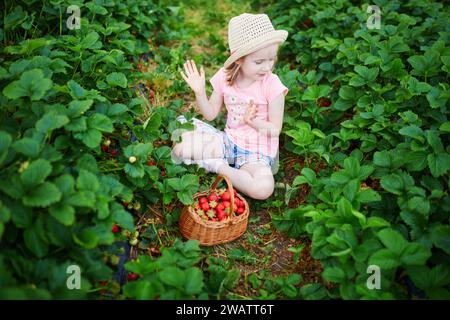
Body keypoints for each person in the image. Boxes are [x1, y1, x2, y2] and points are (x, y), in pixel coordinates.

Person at [173, 13, 289, 200]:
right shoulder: (224, 77)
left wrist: (253, 122)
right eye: (259, 62)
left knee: (263, 188)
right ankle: (223, 164)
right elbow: (210, 114)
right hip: (228, 143)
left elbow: (274, 130)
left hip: (256, 153)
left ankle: (218, 167)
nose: (267, 67)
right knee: (180, 149)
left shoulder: (272, 85)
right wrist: (200, 92)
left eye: (272, 59)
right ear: (238, 59)